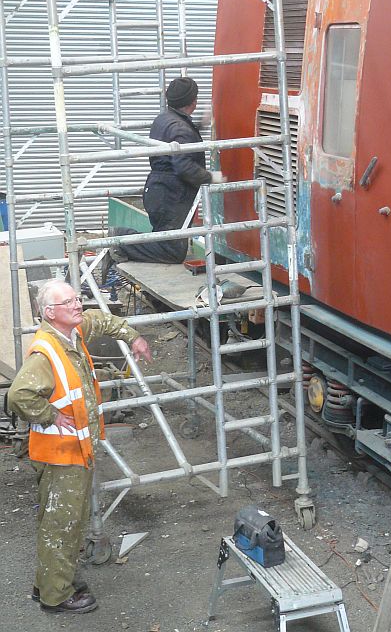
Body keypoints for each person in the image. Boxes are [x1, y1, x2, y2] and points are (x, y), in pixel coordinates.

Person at [8, 278, 151, 615]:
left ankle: (51, 582)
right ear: (49, 312)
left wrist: (134, 337)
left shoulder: (71, 332)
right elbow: (18, 395)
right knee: (63, 524)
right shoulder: (46, 352)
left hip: (74, 451)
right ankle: (56, 597)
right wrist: (49, 415)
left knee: (63, 521)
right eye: (69, 302)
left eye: (77, 299)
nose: (78, 305)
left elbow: (102, 320)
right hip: (60, 456)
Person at [102, 76, 226, 274]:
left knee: (164, 241)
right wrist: (211, 177)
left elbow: (179, 142)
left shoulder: (165, 119)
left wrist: (200, 126)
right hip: (172, 196)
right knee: (172, 252)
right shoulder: (181, 128)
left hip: (159, 190)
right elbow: (183, 165)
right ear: (193, 102)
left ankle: (123, 242)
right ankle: (121, 240)